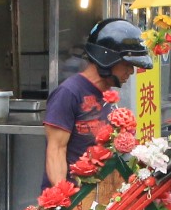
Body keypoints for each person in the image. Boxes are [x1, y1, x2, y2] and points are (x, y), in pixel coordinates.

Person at [43, 18, 149, 187]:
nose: (131, 71)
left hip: (100, 197)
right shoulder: (68, 93)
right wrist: (64, 202)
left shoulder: (108, 95)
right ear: (107, 59)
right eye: (127, 64)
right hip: (75, 199)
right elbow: (56, 150)